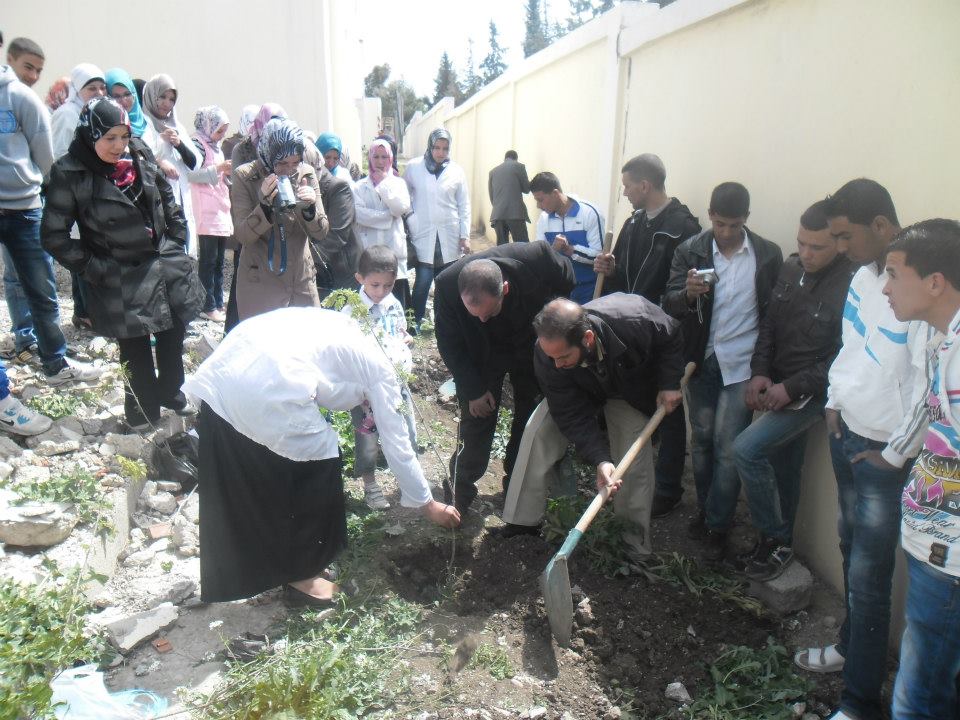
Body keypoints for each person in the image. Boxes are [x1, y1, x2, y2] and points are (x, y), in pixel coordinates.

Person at [183, 307, 460, 605]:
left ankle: (288, 563)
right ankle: (303, 575)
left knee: (268, 466)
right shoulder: (384, 371)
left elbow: (328, 387)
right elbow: (397, 442)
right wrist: (428, 504)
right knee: (318, 465)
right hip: (265, 382)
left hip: (232, 366)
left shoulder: (358, 332)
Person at [795, 180, 932, 720]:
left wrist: (894, 456)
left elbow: (925, 388)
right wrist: (833, 402)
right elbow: (849, 346)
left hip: (882, 454)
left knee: (870, 578)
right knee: (851, 551)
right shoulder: (861, 277)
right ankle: (851, 650)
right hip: (846, 432)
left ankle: (858, 703)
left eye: (845, 236)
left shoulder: (915, 286)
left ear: (879, 226)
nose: (840, 247)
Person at [42, 98, 202, 430]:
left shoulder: (139, 152)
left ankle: (172, 393)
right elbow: (53, 236)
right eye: (110, 138)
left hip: (164, 260)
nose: (119, 146)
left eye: (124, 136)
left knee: (173, 332)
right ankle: (142, 413)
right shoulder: (70, 172)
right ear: (90, 135)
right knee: (135, 347)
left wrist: (176, 236)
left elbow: (165, 194)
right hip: (119, 272)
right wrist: (95, 267)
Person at [501, 295, 684, 557]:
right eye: (552, 357)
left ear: (587, 339)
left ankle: (632, 547)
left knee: (633, 461)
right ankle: (521, 522)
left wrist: (669, 382)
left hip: (627, 391)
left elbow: (671, 336)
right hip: (577, 387)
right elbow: (569, 413)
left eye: (563, 356)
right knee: (537, 431)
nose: (556, 364)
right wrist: (600, 459)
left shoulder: (635, 319)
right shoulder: (548, 354)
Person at [662, 182, 782, 561]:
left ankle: (718, 523)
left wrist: (765, 366)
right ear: (710, 215)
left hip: (743, 363)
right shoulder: (690, 250)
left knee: (729, 448)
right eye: (720, 224)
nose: (726, 232)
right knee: (701, 439)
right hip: (701, 360)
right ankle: (705, 509)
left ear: (746, 218)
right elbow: (669, 302)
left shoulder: (766, 254)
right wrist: (688, 294)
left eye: (734, 225)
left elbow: (772, 316)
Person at [733, 200, 853, 580]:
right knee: (784, 466)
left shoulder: (852, 285)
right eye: (801, 243)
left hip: (814, 394)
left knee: (746, 449)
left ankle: (775, 539)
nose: (806, 253)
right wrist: (760, 372)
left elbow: (844, 357)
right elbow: (770, 325)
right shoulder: (791, 267)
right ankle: (778, 544)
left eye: (817, 247)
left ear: (839, 244)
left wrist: (792, 387)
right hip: (778, 384)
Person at [881, 219, 960, 720]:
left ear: (934, 282)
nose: (885, 288)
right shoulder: (943, 341)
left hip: (950, 561)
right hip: (936, 548)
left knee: (918, 701)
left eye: (894, 274)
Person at [594, 153, 701, 518]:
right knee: (638, 399)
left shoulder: (683, 228)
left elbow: (681, 290)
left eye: (627, 186)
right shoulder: (634, 222)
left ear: (644, 185)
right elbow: (623, 275)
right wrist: (608, 268)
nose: (624, 193)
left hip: (664, 331)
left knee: (668, 409)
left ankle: (668, 489)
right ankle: (637, 474)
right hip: (632, 330)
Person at [434, 242, 575, 514]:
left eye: (488, 312)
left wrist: (553, 323)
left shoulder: (538, 259)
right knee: (476, 418)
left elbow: (567, 279)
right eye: (475, 314)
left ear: (505, 290)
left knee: (528, 419)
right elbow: (449, 344)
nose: (482, 319)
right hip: (481, 353)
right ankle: (458, 494)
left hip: (529, 345)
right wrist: (474, 390)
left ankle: (516, 492)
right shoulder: (447, 285)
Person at [1, 60, 100, 387]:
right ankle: (22, 345)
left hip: (23, 207)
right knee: (17, 282)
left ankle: (55, 362)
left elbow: (44, 156)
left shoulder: (19, 97)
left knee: (41, 289)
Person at [231, 118, 328, 320]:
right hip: (261, 282)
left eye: (295, 162)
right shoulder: (245, 176)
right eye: (282, 163)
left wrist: (309, 210)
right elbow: (242, 235)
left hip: (301, 280)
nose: (289, 170)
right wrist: (264, 206)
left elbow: (322, 232)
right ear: (268, 155)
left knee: (308, 337)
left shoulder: (306, 174)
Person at [343, 246, 417, 511]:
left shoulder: (394, 304)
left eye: (388, 285)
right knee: (367, 439)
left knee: (407, 431)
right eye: (375, 285)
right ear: (360, 278)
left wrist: (406, 340)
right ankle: (370, 485)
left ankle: (408, 481)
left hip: (396, 382)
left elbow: (400, 333)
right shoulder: (351, 310)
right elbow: (346, 349)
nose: (381, 291)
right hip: (366, 390)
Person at [3, 37, 47, 365]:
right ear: (10, 60)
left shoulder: (25, 100)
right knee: (14, 276)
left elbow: (42, 152)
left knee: (37, 276)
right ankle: (25, 338)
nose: (32, 75)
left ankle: (47, 346)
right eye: (27, 67)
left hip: (26, 201)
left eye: (38, 70)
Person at [404, 128, 471, 329]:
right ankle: (413, 324)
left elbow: (464, 205)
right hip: (423, 233)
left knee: (446, 283)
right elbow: (404, 196)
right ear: (430, 146)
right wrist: (411, 218)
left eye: (445, 148)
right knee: (423, 282)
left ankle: (446, 324)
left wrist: (465, 235)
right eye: (436, 147)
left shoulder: (457, 171)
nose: (441, 152)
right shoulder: (414, 167)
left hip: (449, 235)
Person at [142, 74, 200, 253]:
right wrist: (160, 149)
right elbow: (141, 157)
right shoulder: (144, 124)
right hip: (157, 198)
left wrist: (178, 143)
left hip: (180, 197)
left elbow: (195, 163)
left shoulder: (177, 127)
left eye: (171, 99)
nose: (167, 103)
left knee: (182, 249)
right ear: (152, 96)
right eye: (162, 97)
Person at [353, 139, 411, 308]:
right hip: (369, 249)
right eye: (376, 157)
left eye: (384, 157)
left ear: (390, 158)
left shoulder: (398, 184)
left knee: (396, 299)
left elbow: (400, 208)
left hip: (394, 248)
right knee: (370, 296)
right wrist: (387, 217)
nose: (380, 161)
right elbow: (359, 215)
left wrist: (384, 184)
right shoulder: (359, 187)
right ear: (369, 158)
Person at [531, 171, 604, 304]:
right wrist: (553, 250)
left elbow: (599, 257)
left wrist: (570, 249)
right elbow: (540, 258)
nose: (538, 206)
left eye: (540, 200)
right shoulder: (543, 219)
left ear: (555, 193)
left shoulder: (590, 213)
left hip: (587, 289)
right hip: (558, 291)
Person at [188, 106, 233, 323]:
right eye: (219, 130)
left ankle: (217, 301)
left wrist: (225, 172)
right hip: (206, 209)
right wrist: (219, 169)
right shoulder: (196, 144)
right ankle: (206, 305)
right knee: (208, 261)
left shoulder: (215, 147)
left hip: (219, 207)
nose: (221, 135)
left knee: (219, 261)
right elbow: (192, 175)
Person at [50, 63, 105, 158]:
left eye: (103, 88)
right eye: (92, 88)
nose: (100, 93)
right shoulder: (67, 114)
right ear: (78, 90)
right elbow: (59, 154)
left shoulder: (94, 113)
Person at [488, 150, 530, 245]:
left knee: (502, 248)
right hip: (515, 214)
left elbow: (492, 196)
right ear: (516, 158)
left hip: (497, 215)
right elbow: (526, 189)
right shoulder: (519, 166)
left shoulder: (493, 172)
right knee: (522, 246)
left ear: (505, 158)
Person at [104, 68, 155, 146]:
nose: (123, 100)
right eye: (116, 96)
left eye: (127, 94)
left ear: (134, 95)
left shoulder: (148, 122)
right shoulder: (106, 128)